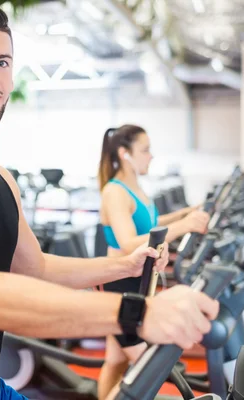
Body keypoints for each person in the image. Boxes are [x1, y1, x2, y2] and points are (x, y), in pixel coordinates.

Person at [0, 2, 219, 399]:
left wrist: (121, 266)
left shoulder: (2, 179)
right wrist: (139, 315)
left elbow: (36, 267)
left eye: (2, 62)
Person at [96, 124, 211, 400]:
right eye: (145, 150)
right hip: (119, 284)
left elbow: (151, 225)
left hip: (137, 281)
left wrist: (185, 214)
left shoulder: (135, 187)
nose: (151, 156)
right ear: (125, 153)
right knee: (144, 366)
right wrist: (184, 226)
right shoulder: (115, 192)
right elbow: (128, 242)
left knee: (115, 361)